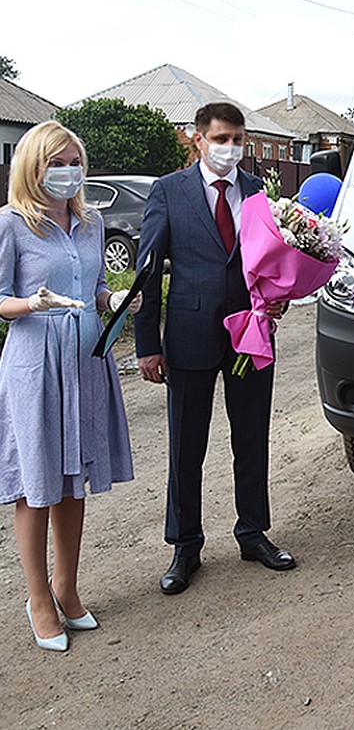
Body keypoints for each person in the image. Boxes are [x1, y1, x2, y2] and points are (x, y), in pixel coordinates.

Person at [134, 102, 294, 596]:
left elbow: (274, 258)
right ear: (198, 140)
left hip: (250, 331)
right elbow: (146, 271)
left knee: (251, 437)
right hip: (189, 334)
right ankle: (185, 545)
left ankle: (253, 533)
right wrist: (147, 344)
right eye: (222, 138)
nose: (231, 148)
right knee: (188, 444)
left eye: (238, 139)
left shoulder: (259, 193)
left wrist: (278, 298)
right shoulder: (168, 192)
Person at [0, 121, 140, 651]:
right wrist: (31, 304)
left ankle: (67, 587)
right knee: (37, 484)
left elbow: (98, 285)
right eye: (55, 162)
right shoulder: (11, 225)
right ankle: (38, 598)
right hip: (36, 366)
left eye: (73, 161)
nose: (66, 171)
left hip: (85, 362)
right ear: (33, 167)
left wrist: (116, 301)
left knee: (72, 479)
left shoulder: (91, 223)